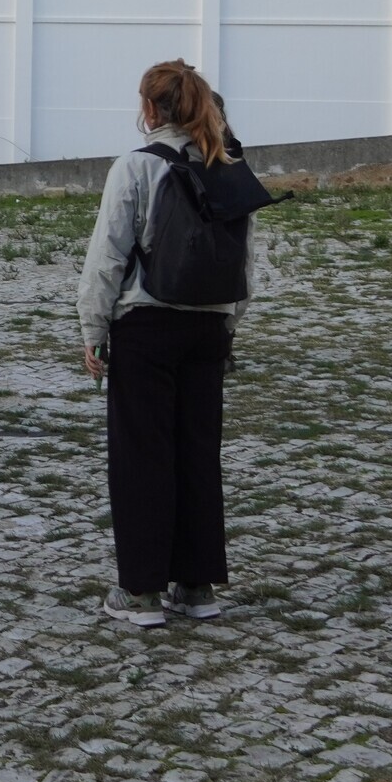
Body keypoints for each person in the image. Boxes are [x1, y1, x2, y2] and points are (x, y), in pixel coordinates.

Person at [77, 60, 248, 630]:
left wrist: (93, 330)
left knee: (142, 457)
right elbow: (244, 258)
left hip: (146, 324)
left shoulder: (136, 166)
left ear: (150, 108)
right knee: (198, 454)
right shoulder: (226, 165)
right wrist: (229, 324)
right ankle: (196, 586)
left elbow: (107, 255)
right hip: (208, 325)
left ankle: (142, 591)